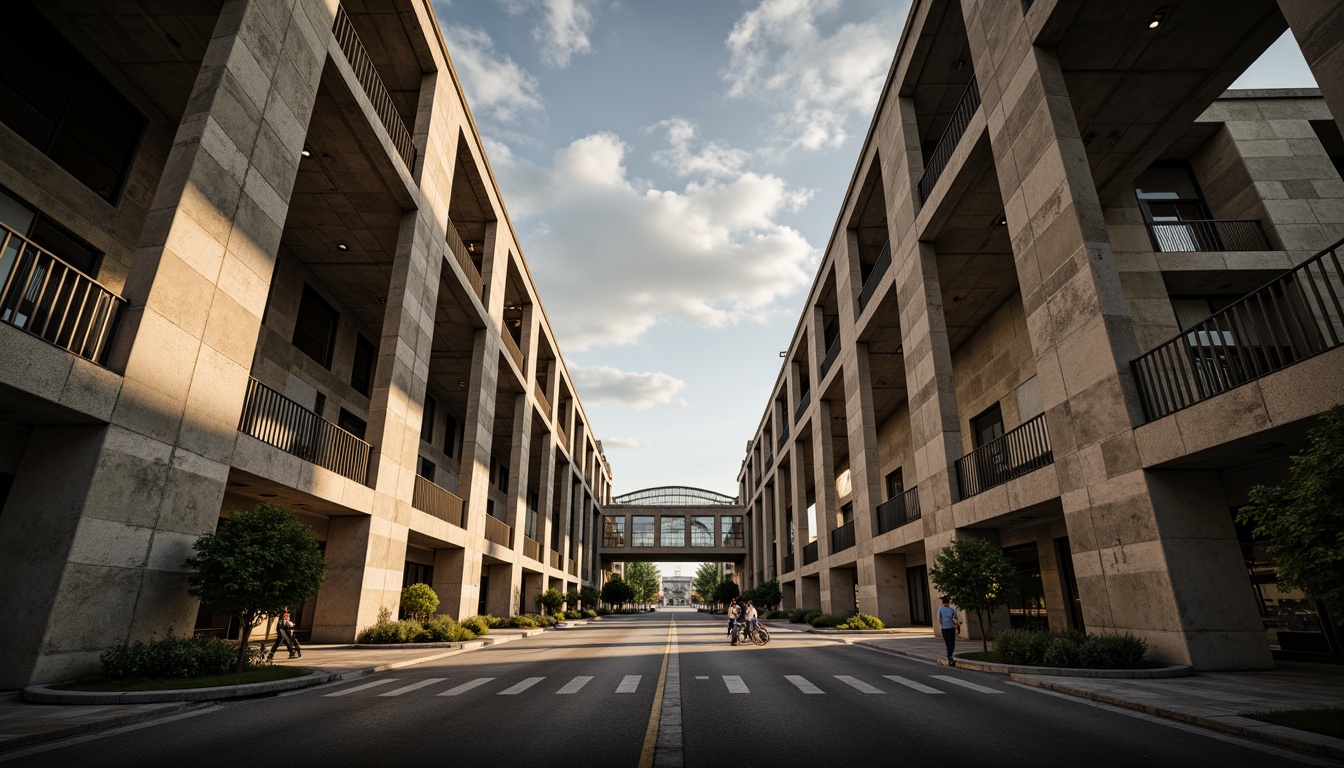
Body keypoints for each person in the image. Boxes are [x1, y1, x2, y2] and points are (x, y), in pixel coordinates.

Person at [937, 596, 960, 666]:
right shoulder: (951, 609)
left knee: (949, 643)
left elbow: (939, 618)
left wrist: (942, 624)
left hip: (945, 628)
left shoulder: (941, 609)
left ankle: (949, 656)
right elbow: (955, 618)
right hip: (950, 628)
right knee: (951, 643)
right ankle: (950, 656)